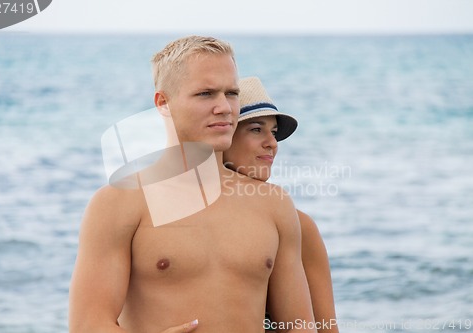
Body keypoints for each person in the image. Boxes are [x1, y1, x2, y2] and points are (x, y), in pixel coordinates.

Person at [69, 36, 317, 333]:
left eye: (231, 93)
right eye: (206, 94)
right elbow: (88, 324)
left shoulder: (274, 205)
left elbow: (299, 326)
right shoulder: (120, 201)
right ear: (164, 103)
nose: (224, 107)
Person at [223, 77, 339, 333]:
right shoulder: (183, 217)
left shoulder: (300, 226)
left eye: (273, 133)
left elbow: (326, 327)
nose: (272, 143)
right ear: (222, 135)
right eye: (256, 129)